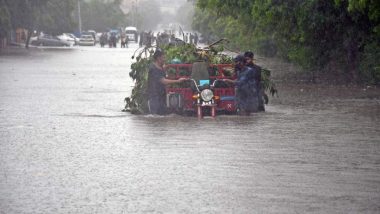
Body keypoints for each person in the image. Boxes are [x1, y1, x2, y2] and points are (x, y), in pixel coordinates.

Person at [147, 49, 187, 115]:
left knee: (163, 116)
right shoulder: (153, 69)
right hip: (154, 97)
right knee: (155, 116)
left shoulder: (161, 68)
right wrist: (177, 81)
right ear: (158, 58)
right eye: (163, 57)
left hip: (162, 96)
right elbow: (163, 81)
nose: (165, 59)